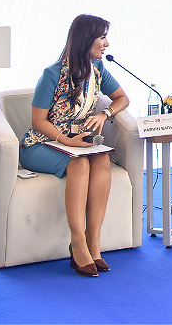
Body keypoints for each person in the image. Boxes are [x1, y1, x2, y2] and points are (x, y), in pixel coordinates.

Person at [18, 14, 129, 277]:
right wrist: (65, 140)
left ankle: (94, 242)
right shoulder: (53, 74)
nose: (106, 44)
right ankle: (77, 243)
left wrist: (104, 114)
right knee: (79, 164)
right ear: (86, 39)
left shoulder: (98, 69)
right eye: (102, 37)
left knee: (102, 158)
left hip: (76, 142)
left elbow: (122, 98)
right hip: (41, 143)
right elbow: (37, 121)